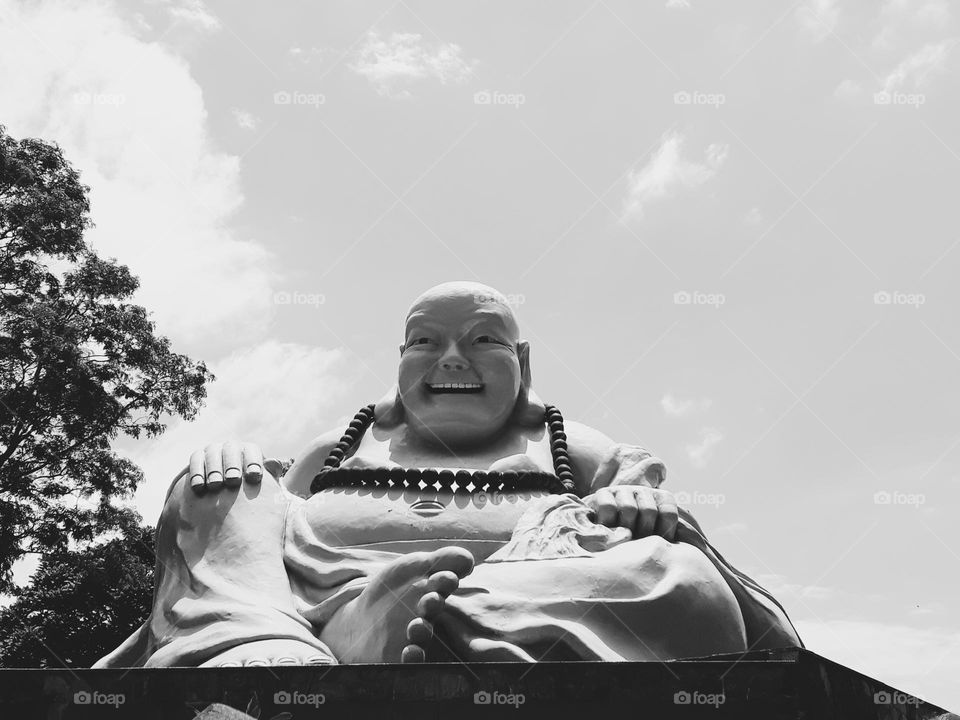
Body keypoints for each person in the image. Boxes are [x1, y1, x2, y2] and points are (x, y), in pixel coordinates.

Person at [95, 282, 800, 668]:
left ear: (524, 364)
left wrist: (629, 502)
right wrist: (235, 472)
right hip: (316, 600)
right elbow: (266, 509)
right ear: (399, 360)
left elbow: (645, 496)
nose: (452, 359)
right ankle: (272, 643)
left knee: (669, 570)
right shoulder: (345, 441)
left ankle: (430, 627)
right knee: (216, 487)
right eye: (426, 342)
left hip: (518, 591)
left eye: (482, 340)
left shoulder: (564, 444)